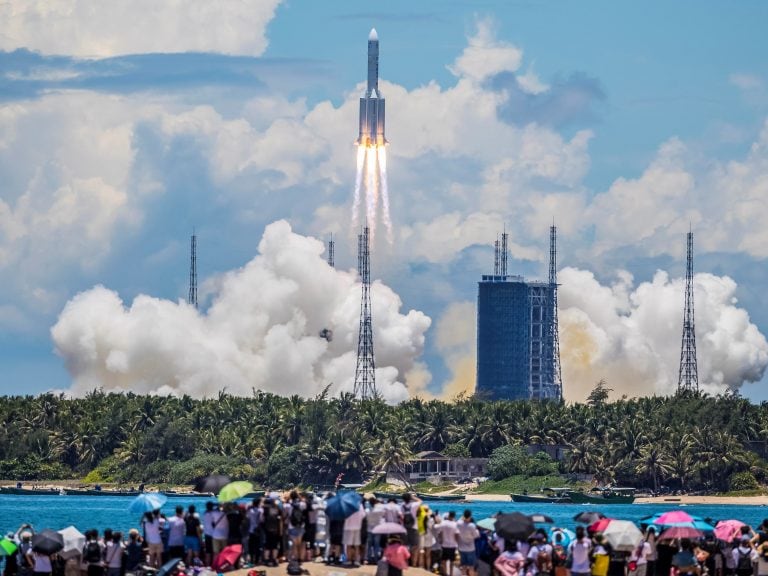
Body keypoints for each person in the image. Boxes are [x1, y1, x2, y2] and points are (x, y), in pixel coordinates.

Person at [456, 510, 480, 576]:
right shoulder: (471, 525)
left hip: (461, 548)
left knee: (463, 567)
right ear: (470, 516)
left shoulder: (459, 524)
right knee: (471, 567)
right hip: (470, 549)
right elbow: (476, 535)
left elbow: (458, 521)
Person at [401, 494, 422, 565]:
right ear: (409, 498)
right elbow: (420, 501)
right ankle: (413, 563)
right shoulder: (413, 505)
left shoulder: (402, 506)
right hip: (414, 527)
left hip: (404, 528)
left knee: (405, 545)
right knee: (415, 546)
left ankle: (406, 561)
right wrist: (413, 497)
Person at [343, 503, 366, 567]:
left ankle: (349, 560)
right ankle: (356, 560)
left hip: (348, 527)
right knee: (356, 545)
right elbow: (363, 515)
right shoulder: (360, 505)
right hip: (357, 527)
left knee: (348, 545)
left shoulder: (347, 505)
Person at [437, 511, 459, 576]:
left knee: (444, 560)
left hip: (444, 544)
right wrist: (457, 542)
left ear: (448, 515)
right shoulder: (455, 524)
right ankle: (451, 574)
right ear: (454, 516)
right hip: (453, 545)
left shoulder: (443, 523)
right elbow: (457, 534)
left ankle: (445, 573)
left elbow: (440, 533)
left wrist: (441, 540)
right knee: (452, 561)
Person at [247, 498, 263, 565]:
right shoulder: (261, 510)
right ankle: (257, 560)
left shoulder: (250, 511)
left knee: (251, 546)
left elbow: (247, 518)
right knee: (258, 546)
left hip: (251, 530)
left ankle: (251, 560)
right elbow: (262, 520)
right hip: (258, 530)